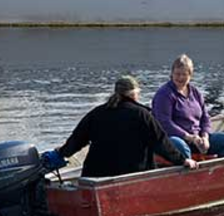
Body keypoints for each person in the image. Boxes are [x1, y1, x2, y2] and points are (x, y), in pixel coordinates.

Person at [41, 76, 197, 177]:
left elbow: (77, 140)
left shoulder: (97, 113)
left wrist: (61, 154)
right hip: (131, 175)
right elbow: (161, 143)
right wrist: (183, 161)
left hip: (95, 174)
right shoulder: (142, 114)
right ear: (134, 94)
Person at [151, 55, 224, 159]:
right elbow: (164, 122)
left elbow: (205, 118)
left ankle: (218, 168)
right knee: (180, 146)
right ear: (172, 74)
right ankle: (189, 168)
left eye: (184, 74)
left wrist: (205, 137)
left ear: (190, 75)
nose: (180, 78)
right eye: (177, 74)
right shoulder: (164, 94)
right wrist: (189, 137)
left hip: (197, 137)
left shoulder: (195, 92)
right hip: (176, 138)